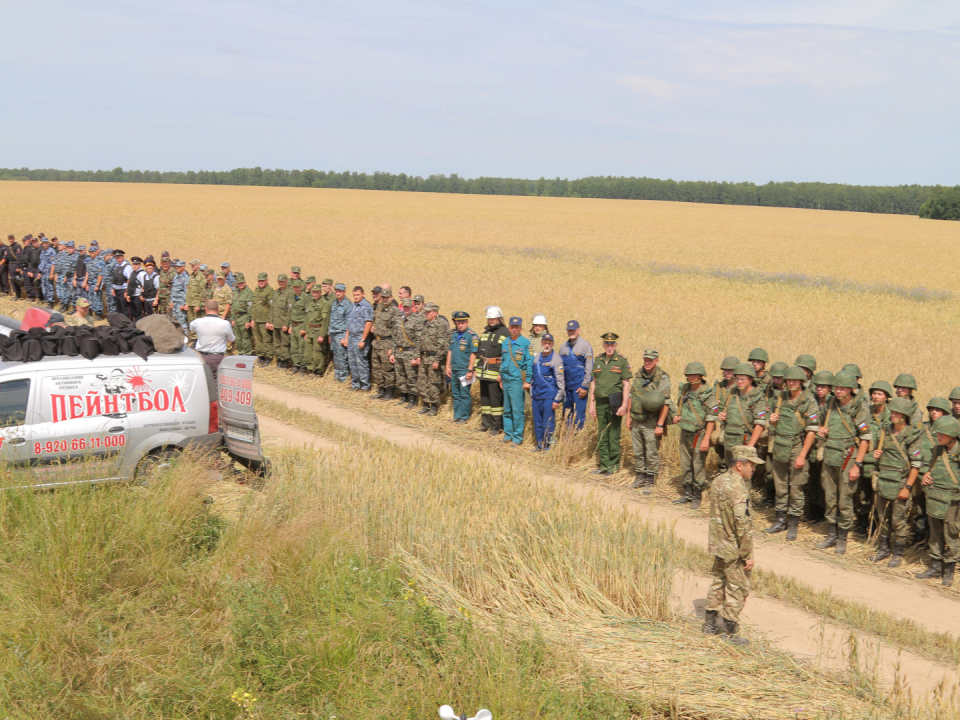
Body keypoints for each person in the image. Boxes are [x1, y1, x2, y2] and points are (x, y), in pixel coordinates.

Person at [702, 445, 758, 646]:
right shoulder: (738, 488)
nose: (754, 469)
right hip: (733, 548)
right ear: (739, 465)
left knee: (718, 581)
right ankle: (730, 632)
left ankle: (709, 625)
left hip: (717, 543)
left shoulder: (718, 481)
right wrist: (747, 554)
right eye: (751, 465)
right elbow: (742, 523)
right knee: (738, 587)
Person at [816, 371, 872, 554]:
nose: (838, 391)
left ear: (851, 389)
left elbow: (865, 438)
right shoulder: (831, 403)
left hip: (848, 458)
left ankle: (843, 538)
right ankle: (831, 533)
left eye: (842, 388)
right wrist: (822, 431)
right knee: (830, 497)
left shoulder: (859, 408)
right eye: (836, 388)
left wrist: (858, 464)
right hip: (830, 455)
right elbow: (822, 422)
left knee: (845, 499)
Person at [764, 366, 819, 541]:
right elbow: (773, 423)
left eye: (795, 380)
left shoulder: (809, 401)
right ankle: (780, 520)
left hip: (797, 446)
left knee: (796, 488)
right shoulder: (780, 398)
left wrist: (802, 455)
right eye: (789, 380)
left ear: (802, 382)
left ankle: (793, 524)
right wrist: (771, 420)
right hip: (780, 445)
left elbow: (812, 430)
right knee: (780, 486)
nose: (792, 383)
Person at [870, 397, 922, 569]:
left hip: (900, 483)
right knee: (882, 518)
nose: (892, 415)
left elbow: (916, 465)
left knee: (898, 521)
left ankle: (897, 553)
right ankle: (883, 548)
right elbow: (877, 455)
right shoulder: (884, 431)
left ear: (905, 415)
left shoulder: (911, 435)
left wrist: (907, 487)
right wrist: (877, 455)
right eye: (892, 412)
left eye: (897, 412)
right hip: (884, 480)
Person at [917, 415, 960, 587]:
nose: (938, 436)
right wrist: (926, 477)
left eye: (942, 433)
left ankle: (948, 571)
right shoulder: (937, 450)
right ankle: (935, 567)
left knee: (951, 535)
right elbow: (931, 469)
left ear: (952, 434)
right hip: (935, 496)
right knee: (935, 533)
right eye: (937, 433)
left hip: (953, 501)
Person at [627, 349, 676, 492]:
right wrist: (628, 417)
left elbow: (666, 402)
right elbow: (631, 395)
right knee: (638, 451)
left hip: (651, 421)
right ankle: (640, 476)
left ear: (657, 360)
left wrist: (660, 424)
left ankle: (651, 479)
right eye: (645, 359)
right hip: (636, 419)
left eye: (650, 359)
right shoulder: (638, 374)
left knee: (651, 451)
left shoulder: (662, 377)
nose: (647, 362)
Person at [671, 362, 718, 506]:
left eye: (694, 374)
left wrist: (706, 439)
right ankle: (687, 494)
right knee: (685, 464)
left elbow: (711, 418)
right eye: (689, 375)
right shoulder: (685, 390)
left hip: (699, 434)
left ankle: (697, 496)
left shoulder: (707, 393)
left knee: (698, 465)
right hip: (685, 432)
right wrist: (676, 416)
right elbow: (680, 407)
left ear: (701, 375)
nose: (691, 377)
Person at [588, 332, 632, 475]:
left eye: (612, 344)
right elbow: (593, 383)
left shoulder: (622, 361)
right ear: (603, 345)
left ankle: (613, 466)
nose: (609, 347)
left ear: (616, 345)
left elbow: (626, 384)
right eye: (607, 344)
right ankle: (604, 465)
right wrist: (591, 404)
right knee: (602, 433)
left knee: (613, 434)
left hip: (615, 403)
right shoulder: (598, 360)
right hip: (600, 402)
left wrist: (624, 405)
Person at [718, 363, 767, 469]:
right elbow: (727, 411)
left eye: (743, 379)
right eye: (737, 379)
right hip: (729, 440)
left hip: (745, 440)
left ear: (751, 380)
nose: (739, 382)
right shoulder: (732, 393)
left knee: (744, 474)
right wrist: (724, 416)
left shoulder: (757, 397)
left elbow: (760, 424)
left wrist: (750, 446)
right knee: (731, 472)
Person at [476, 307, 510, 434]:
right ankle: (486, 424)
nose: (491, 321)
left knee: (496, 401)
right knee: (485, 400)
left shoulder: (505, 333)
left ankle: (497, 427)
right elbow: (479, 352)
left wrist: (501, 373)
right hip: (483, 372)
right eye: (489, 318)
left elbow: (506, 356)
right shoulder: (485, 333)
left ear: (499, 319)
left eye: (493, 318)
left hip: (495, 372)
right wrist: (476, 369)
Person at [499, 316, 533, 446]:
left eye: (517, 327)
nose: (514, 329)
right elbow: (503, 361)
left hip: (517, 381)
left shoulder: (525, 343)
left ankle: (517, 437)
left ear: (521, 328)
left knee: (517, 410)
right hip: (506, 380)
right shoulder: (505, 342)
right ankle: (508, 434)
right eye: (512, 327)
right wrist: (501, 377)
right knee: (506, 410)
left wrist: (528, 380)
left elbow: (529, 363)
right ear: (509, 328)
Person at [530, 333, 564, 451]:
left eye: (549, 343)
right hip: (536, 395)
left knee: (548, 423)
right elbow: (533, 377)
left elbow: (560, 381)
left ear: (553, 344)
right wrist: (531, 394)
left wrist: (557, 399)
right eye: (545, 343)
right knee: (538, 422)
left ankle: (548, 446)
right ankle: (540, 445)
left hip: (549, 396)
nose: (547, 345)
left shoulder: (556, 359)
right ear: (541, 343)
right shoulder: (537, 357)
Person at [558, 320, 593, 431]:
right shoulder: (563, 347)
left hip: (579, 388)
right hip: (567, 388)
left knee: (579, 416)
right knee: (567, 414)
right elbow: (559, 368)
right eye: (569, 330)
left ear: (579, 330)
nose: (571, 332)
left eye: (574, 330)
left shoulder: (585, 346)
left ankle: (578, 441)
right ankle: (568, 439)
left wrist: (584, 386)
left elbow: (589, 368)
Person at [416, 302, 449, 414]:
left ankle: (434, 406)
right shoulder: (424, 324)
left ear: (435, 313)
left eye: (428, 312)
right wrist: (418, 356)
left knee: (433, 383)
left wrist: (437, 360)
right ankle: (426, 404)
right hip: (424, 357)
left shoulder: (441, 324)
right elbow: (419, 340)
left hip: (434, 358)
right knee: (422, 382)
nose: (426, 313)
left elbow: (443, 345)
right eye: (425, 311)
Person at [446, 311, 479, 423]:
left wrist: (470, 370)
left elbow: (473, 354)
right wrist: (448, 366)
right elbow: (450, 351)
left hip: (464, 369)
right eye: (458, 322)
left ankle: (464, 417)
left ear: (467, 322)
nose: (460, 325)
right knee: (455, 393)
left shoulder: (472, 336)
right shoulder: (455, 335)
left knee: (464, 393)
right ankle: (457, 416)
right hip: (454, 368)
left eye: (463, 322)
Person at [190, 299, 235, 377]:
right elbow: (231, 339)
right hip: (217, 358)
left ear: (205, 309)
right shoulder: (225, 324)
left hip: (201, 357)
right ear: (218, 309)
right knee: (216, 383)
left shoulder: (197, 322)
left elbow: (191, 328)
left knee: (202, 380)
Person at [391, 298, 423, 407]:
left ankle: (413, 400)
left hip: (410, 352)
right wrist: (393, 353)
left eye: (409, 307)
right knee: (400, 376)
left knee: (411, 377)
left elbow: (419, 340)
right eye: (405, 307)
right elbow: (394, 337)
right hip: (399, 352)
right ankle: (404, 397)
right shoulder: (398, 319)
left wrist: (416, 356)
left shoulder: (417, 320)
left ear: (412, 307)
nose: (407, 309)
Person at [712, 356, 740, 473]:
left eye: (730, 370)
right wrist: (716, 411)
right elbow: (711, 404)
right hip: (720, 423)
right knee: (720, 450)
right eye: (725, 370)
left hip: (735, 424)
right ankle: (722, 473)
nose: (726, 372)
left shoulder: (740, 387)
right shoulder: (718, 387)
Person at [372, 287, 400, 399]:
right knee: (376, 367)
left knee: (387, 369)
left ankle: (389, 391)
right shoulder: (378, 308)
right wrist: (373, 327)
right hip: (377, 342)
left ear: (391, 297)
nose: (384, 299)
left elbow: (396, 331)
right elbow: (375, 320)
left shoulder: (395, 311)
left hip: (387, 342)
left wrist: (392, 348)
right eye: (383, 297)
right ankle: (381, 389)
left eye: (387, 297)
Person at [346, 286, 374, 390]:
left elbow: (368, 324)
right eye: (354, 295)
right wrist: (346, 337)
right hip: (351, 337)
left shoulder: (366, 306)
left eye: (358, 295)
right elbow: (349, 323)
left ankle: (364, 386)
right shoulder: (353, 306)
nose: (356, 297)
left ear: (363, 294)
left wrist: (362, 339)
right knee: (352, 362)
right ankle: (355, 384)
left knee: (361, 362)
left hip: (360, 338)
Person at [302, 285, 330, 376]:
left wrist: (322, 334)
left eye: (317, 292)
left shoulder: (324, 304)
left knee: (317, 352)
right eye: (313, 292)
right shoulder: (310, 303)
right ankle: (311, 369)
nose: (315, 294)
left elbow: (325, 321)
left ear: (320, 292)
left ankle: (318, 371)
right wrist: (306, 331)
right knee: (308, 352)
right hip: (310, 330)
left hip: (318, 330)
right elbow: (307, 318)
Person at [267, 273, 293, 369]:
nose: (281, 283)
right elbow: (272, 308)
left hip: (283, 324)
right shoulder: (276, 293)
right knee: (277, 343)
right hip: (276, 323)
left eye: (282, 281)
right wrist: (270, 321)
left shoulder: (289, 293)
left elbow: (289, 311)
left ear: (286, 281)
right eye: (279, 281)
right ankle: (279, 360)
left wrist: (286, 324)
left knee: (284, 344)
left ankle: (285, 362)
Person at [327, 283, 352, 383]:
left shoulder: (348, 305)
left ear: (344, 292)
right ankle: (337, 377)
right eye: (336, 291)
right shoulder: (334, 303)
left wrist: (346, 338)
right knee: (336, 356)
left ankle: (343, 379)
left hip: (341, 334)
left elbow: (349, 323)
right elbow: (331, 320)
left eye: (340, 291)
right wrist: (329, 334)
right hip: (333, 334)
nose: (338, 293)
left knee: (342, 357)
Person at [252, 272, 275, 366]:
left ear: (267, 280)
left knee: (266, 340)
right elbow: (254, 306)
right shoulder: (257, 289)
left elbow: (271, 307)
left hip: (265, 319)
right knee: (258, 339)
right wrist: (252, 319)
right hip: (257, 319)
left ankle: (268, 357)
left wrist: (269, 321)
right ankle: (261, 356)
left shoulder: (270, 291)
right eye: (259, 281)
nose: (261, 282)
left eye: (263, 281)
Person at [288, 280, 310, 374]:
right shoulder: (292, 297)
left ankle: (303, 367)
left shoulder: (306, 298)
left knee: (302, 348)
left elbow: (307, 315)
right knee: (294, 348)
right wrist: (290, 325)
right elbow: (290, 312)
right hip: (293, 325)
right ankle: (296, 366)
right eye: (294, 287)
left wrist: (304, 328)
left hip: (301, 325)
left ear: (301, 287)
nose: (296, 289)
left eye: (297, 287)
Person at [231, 272, 254, 355]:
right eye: (238, 283)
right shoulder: (236, 291)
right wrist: (233, 318)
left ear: (245, 282)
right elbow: (234, 306)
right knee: (238, 337)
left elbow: (250, 308)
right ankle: (240, 353)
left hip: (244, 316)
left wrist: (248, 320)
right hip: (236, 317)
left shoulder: (249, 293)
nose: (240, 285)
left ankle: (247, 354)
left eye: (241, 283)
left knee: (246, 337)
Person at [53, 240, 77, 313]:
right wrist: (56, 274)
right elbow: (57, 265)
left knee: (66, 292)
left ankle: (66, 305)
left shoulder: (71, 255)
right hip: (61, 274)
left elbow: (67, 267)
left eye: (60, 245)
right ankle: (62, 304)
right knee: (60, 291)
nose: (58, 246)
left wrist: (65, 276)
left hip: (66, 275)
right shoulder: (59, 254)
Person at [85, 245, 105, 318]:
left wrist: (97, 285)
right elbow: (88, 272)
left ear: (96, 252)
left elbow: (100, 274)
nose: (91, 254)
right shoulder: (90, 262)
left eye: (92, 252)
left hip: (96, 283)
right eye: (90, 252)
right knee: (91, 298)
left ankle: (98, 314)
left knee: (97, 299)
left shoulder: (99, 262)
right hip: (90, 283)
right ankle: (93, 312)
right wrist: (86, 283)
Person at [169, 260, 189, 330]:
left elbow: (186, 292)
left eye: (179, 266)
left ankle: (185, 338)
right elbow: (173, 290)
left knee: (182, 322)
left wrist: (184, 304)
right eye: (176, 266)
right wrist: (171, 301)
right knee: (175, 321)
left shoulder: (186, 277)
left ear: (183, 267)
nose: (177, 268)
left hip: (180, 303)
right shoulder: (176, 276)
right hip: (175, 303)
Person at [38, 237, 56, 308]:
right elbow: (41, 262)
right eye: (43, 243)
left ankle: (50, 303)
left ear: (48, 243)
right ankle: (47, 301)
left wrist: (51, 273)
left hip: (48, 272)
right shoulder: (42, 251)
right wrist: (39, 272)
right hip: (43, 272)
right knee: (44, 287)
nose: (44, 244)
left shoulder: (51, 251)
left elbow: (53, 264)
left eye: (45, 243)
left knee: (49, 287)